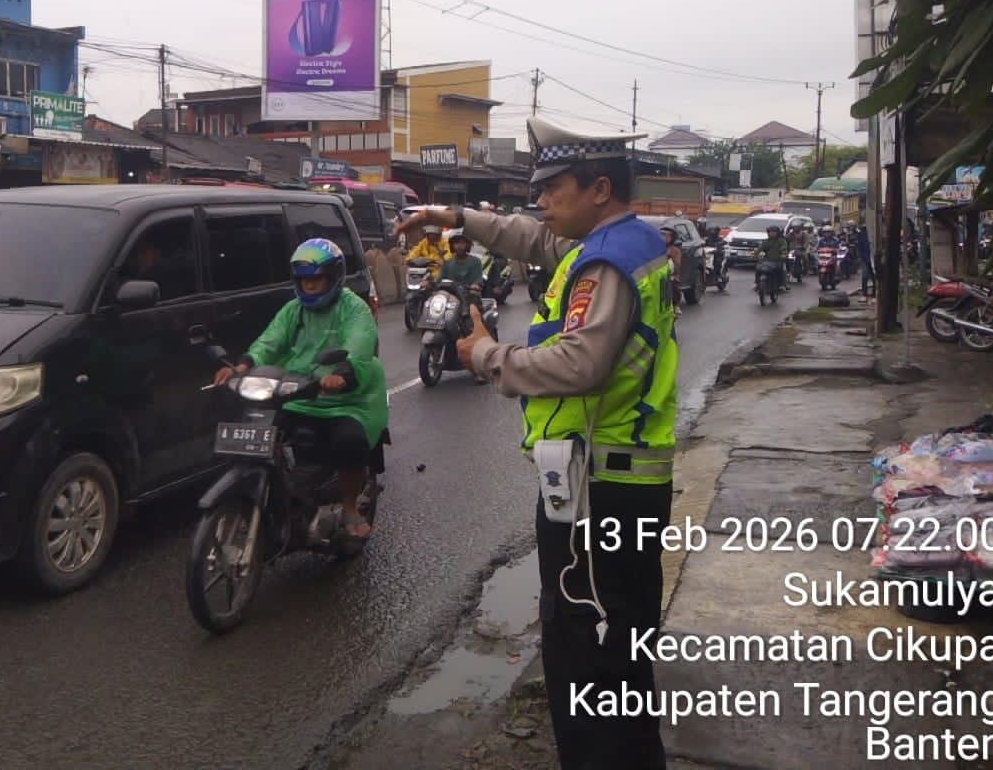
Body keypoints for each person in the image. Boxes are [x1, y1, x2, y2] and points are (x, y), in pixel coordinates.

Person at [393, 117, 677, 770]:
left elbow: (582, 363)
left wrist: (488, 354)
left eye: (552, 187)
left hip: (600, 498)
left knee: (589, 660)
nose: (539, 201)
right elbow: (531, 236)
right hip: (621, 486)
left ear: (598, 188)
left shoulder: (605, 261)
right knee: (620, 660)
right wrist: (453, 215)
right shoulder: (627, 243)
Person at [214, 238, 387, 539]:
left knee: (350, 441)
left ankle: (349, 507)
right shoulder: (292, 310)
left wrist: (342, 374)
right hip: (297, 393)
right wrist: (241, 366)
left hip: (346, 399)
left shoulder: (353, 309)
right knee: (258, 428)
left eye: (316, 278)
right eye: (304, 280)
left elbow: (359, 345)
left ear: (333, 277)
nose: (309, 286)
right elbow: (270, 341)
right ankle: (276, 492)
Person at [755, 224, 789, 292]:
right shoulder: (765, 241)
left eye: (773, 232)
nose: (772, 233)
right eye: (770, 232)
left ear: (777, 233)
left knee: (783, 270)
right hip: (767, 261)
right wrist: (755, 254)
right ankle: (757, 283)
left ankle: (783, 284)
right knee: (758, 268)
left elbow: (784, 248)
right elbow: (760, 249)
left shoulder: (781, 241)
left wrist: (783, 254)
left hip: (778, 261)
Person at [659, 227, 682, 318]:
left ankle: (675, 304)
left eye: (666, 236)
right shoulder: (655, 248)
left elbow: (676, 265)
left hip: (670, 275)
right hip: (655, 274)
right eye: (662, 235)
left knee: (672, 285)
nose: (663, 237)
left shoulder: (675, 250)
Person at [857, 223, 876, 297]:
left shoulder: (876, 232)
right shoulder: (862, 234)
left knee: (874, 276)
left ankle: (874, 294)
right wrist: (861, 256)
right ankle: (864, 294)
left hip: (874, 257)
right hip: (865, 258)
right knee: (865, 276)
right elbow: (859, 246)